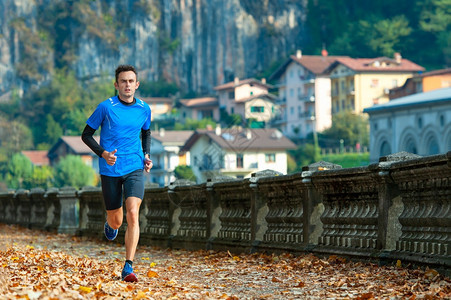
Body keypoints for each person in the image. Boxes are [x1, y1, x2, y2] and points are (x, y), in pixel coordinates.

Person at [81, 64, 152, 282]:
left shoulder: (144, 109)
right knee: (117, 221)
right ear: (116, 85)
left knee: (133, 213)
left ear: (136, 85)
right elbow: (86, 135)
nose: (127, 85)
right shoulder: (106, 107)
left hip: (134, 167)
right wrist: (103, 154)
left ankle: (128, 267)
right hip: (110, 169)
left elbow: (146, 133)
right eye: (123, 81)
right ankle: (109, 223)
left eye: (131, 81)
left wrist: (146, 155)